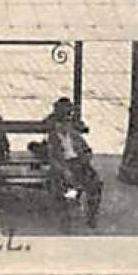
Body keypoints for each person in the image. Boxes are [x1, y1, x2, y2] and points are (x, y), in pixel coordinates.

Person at [44, 97, 102, 228]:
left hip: (79, 164)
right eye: (62, 123)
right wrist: (65, 170)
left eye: (67, 123)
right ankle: (65, 219)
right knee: (64, 187)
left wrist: (86, 157)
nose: (65, 126)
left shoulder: (75, 137)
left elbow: (87, 150)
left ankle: (92, 215)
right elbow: (53, 158)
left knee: (95, 184)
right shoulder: (53, 138)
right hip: (63, 166)